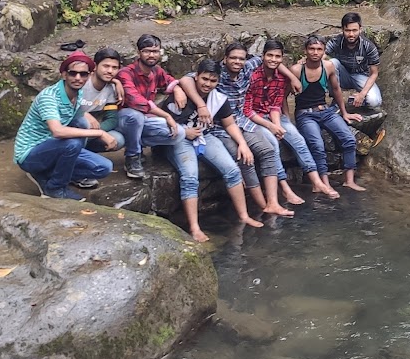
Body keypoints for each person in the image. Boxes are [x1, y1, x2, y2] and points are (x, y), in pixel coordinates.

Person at [180, 42, 298, 216]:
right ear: (225, 59)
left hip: (243, 121)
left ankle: (273, 203)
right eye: (233, 58)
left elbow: (273, 60)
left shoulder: (248, 67)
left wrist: (292, 77)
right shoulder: (217, 73)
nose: (237, 61)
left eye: (241, 58)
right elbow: (186, 79)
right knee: (244, 158)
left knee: (268, 150)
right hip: (220, 127)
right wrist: (198, 103)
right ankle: (262, 205)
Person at [158, 58, 266, 243]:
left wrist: (242, 143)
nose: (207, 84)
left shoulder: (218, 99)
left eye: (213, 80)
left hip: (204, 136)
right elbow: (163, 125)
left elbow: (229, 124)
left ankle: (244, 216)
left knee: (232, 170)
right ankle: (194, 227)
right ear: (196, 76)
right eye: (204, 79)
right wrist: (184, 132)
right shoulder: (181, 94)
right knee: (190, 177)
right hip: (179, 138)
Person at [242, 37, 341, 201]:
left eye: (277, 57)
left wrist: (277, 124)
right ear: (263, 56)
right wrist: (271, 127)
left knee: (298, 140)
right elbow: (247, 110)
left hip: (273, 115)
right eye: (270, 55)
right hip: (254, 119)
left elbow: (275, 105)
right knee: (273, 145)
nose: (273, 60)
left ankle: (317, 182)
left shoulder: (281, 78)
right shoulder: (252, 76)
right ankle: (285, 188)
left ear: (282, 59)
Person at [14, 52, 121, 200]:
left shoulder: (79, 94)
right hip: (30, 153)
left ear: (89, 76)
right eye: (73, 73)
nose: (78, 78)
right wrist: (100, 133)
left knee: (104, 168)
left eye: (83, 74)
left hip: (55, 147)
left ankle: (46, 174)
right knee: (73, 142)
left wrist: (116, 82)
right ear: (64, 74)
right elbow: (57, 131)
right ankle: (54, 188)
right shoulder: (49, 97)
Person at [291, 33, 367, 193]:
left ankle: (349, 181)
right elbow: (283, 96)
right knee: (318, 146)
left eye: (319, 49)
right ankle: (323, 183)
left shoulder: (328, 67)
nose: (315, 52)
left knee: (349, 139)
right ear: (305, 50)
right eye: (311, 49)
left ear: (324, 51)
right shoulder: (297, 70)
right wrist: (285, 118)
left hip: (326, 111)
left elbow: (336, 89)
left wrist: (344, 113)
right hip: (305, 114)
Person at [116, 34, 186, 179]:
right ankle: (132, 156)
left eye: (155, 51)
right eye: (147, 51)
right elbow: (136, 101)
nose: (151, 55)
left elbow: (169, 80)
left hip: (144, 120)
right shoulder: (126, 73)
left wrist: (177, 88)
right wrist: (166, 115)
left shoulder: (156, 71)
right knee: (135, 116)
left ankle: (136, 143)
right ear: (139, 52)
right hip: (123, 120)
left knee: (179, 133)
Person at [325, 12, 382, 111]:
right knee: (331, 63)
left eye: (354, 30)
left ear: (360, 29)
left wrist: (362, 94)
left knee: (375, 101)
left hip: (361, 76)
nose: (351, 34)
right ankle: (336, 100)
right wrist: (305, 62)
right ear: (342, 30)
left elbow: (374, 73)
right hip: (341, 74)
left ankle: (356, 101)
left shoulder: (368, 46)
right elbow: (321, 55)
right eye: (347, 30)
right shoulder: (337, 41)